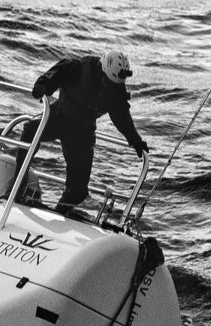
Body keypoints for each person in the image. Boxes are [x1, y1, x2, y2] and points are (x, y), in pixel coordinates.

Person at [30, 49, 150, 216]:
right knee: (29, 131)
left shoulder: (116, 87)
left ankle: (59, 213)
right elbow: (56, 73)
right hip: (60, 117)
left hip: (83, 131)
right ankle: (18, 184)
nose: (112, 86)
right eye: (109, 82)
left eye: (116, 83)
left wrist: (135, 140)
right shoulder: (78, 68)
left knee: (79, 191)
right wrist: (42, 85)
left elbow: (121, 115)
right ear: (103, 72)